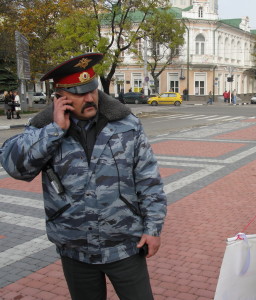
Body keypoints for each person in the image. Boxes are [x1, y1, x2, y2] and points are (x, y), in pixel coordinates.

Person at [0, 53, 167, 300]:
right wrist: (54, 131)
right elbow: (17, 168)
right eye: (79, 93)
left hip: (125, 246)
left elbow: (148, 179)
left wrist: (153, 228)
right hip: (75, 250)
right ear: (60, 97)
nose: (90, 98)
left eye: (92, 90)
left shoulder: (126, 124)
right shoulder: (42, 129)